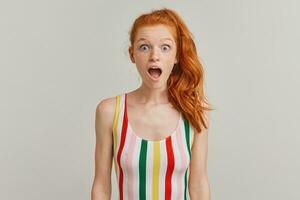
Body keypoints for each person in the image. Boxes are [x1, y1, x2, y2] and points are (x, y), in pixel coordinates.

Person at [91, 8, 213, 200]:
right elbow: (101, 186)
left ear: (177, 56)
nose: (154, 56)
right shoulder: (110, 111)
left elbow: (198, 185)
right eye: (144, 47)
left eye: (165, 48)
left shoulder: (195, 113)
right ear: (132, 54)